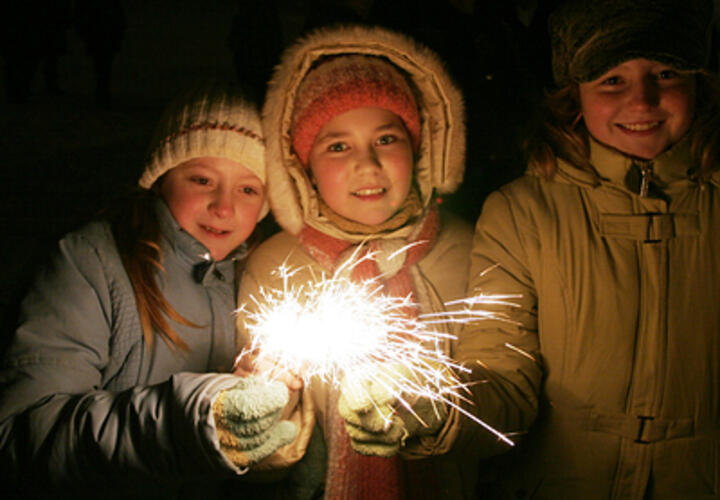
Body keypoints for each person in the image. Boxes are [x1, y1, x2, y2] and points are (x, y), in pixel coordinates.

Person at [456, 0, 720, 498]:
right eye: (612, 80)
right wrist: (443, 413)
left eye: (665, 73)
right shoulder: (523, 215)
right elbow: (501, 373)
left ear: (699, 81)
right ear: (573, 94)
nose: (642, 102)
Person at [0, 81, 303, 499]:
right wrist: (188, 422)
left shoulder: (253, 280)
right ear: (161, 179)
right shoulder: (90, 263)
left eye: (248, 189)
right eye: (201, 179)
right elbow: (26, 433)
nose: (224, 206)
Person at [236, 25, 474, 499]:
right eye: (338, 146)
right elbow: (266, 459)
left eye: (387, 138)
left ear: (419, 147)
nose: (367, 165)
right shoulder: (273, 266)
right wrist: (263, 417)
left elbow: (510, 405)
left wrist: (436, 413)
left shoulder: (471, 249)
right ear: (302, 165)